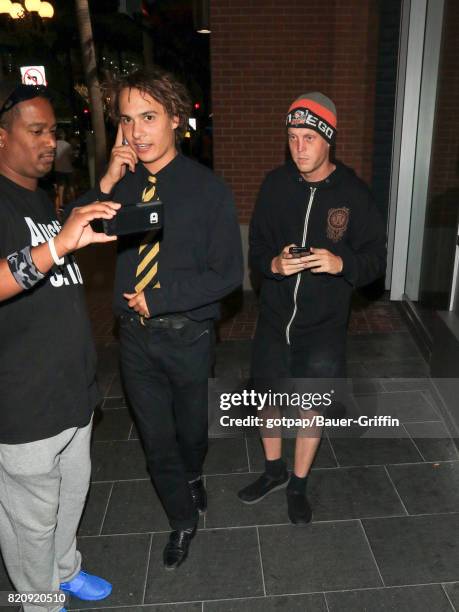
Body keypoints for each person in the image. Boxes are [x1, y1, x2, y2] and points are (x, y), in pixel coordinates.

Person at [77, 67, 243, 569]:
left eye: (148, 117)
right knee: (155, 439)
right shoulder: (122, 187)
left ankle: (193, 476)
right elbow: (71, 234)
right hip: (133, 339)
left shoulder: (207, 190)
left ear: (176, 119)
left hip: (188, 336)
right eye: (127, 121)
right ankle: (181, 518)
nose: (137, 132)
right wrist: (105, 180)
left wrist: (163, 296)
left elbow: (229, 274)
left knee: (191, 432)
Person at [238, 92, 386, 524]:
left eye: (308, 137)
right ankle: (273, 470)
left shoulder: (354, 195)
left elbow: (376, 259)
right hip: (274, 320)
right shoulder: (274, 186)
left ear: (328, 140)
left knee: (310, 406)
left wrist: (343, 263)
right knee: (266, 398)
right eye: (292, 136)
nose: (299, 146)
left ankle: (298, 484)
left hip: (322, 327)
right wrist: (274, 264)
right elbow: (257, 248)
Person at [0, 81, 120, 611]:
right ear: (1, 137)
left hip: (72, 392)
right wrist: (56, 245)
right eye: (37, 131)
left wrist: (108, 182)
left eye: (54, 131)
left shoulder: (37, 197)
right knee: (31, 517)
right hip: (24, 403)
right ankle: (39, 597)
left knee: (71, 497)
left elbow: (64, 237)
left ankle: (65, 569)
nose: (51, 142)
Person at [54, 128, 76, 213]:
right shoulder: (67, 145)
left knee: (61, 186)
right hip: (68, 168)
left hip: (58, 168)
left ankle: (61, 204)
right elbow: (71, 158)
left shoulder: (54, 145)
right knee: (71, 186)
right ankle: (74, 202)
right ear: (63, 136)